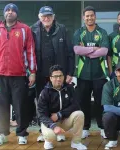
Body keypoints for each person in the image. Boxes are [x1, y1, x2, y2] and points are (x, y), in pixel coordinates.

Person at [0, 3, 36, 145]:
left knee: (20, 105)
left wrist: (33, 72)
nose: (10, 12)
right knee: (0, 106)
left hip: (19, 75)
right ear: (4, 13)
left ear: (17, 14)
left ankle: (22, 134)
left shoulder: (25, 30)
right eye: (8, 10)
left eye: (13, 11)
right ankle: (1, 134)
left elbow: (30, 52)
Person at [31, 5, 75, 142]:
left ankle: (59, 130)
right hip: (41, 75)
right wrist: (31, 72)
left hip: (59, 75)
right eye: (44, 16)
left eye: (49, 16)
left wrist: (69, 73)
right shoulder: (33, 30)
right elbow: (28, 52)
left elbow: (70, 53)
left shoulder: (62, 29)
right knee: (42, 103)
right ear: (39, 17)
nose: (46, 18)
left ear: (53, 17)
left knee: (60, 102)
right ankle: (43, 130)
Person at [73, 6, 109, 139]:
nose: (89, 18)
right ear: (84, 17)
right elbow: (77, 50)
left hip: (100, 74)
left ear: (95, 16)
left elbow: (104, 51)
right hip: (83, 74)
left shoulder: (102, 32)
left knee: (101, 102)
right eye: (87, 16)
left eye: (91, 15)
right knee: (84, 102)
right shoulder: (79, 32)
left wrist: (86, 49)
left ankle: (102, 127)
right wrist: (95, 49)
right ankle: (85, 127)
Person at [37, 65, 87, 150]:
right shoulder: (45, 92)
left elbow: (76, 105)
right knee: (50, 136)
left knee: (79, 114)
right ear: (50, 78)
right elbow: (41, 114)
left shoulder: (69, 88)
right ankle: (48, 141)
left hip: (64, 120)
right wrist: (53, 126)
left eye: (60, 76)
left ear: (64, 77)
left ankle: (76, 142)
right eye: (55, 76)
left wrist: (60, 114)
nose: (58, 79)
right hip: (50, 122)